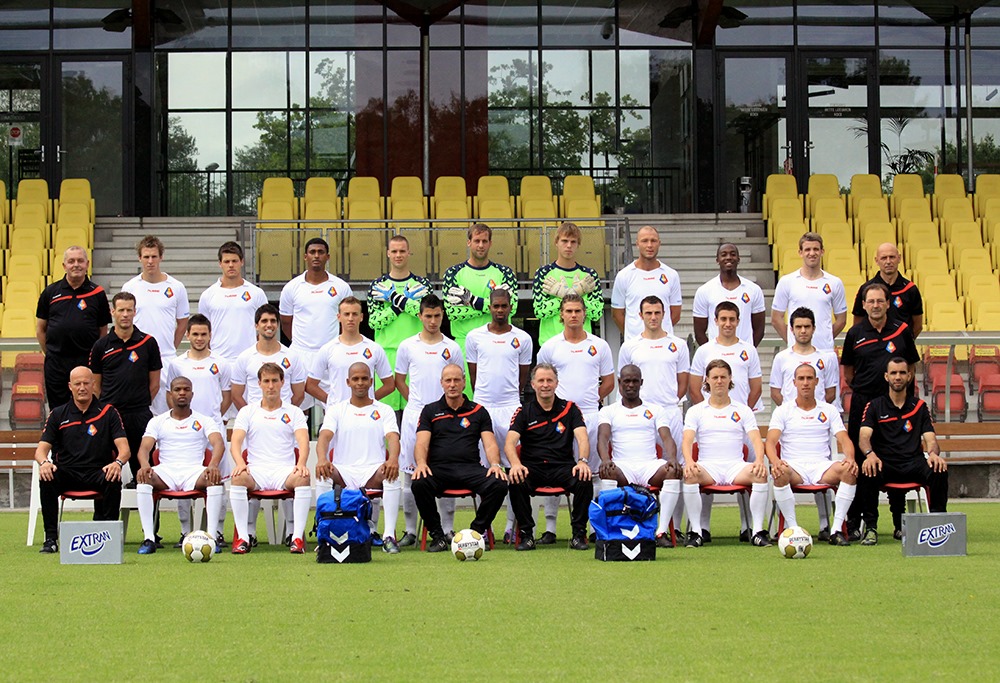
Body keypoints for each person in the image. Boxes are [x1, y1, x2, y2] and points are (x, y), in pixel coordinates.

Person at [841, 282, 920, 540]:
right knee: (860, 461)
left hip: (894, 405)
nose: (875, 305)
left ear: (888, 303)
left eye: (880, 301)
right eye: (871, 301)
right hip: (863, 404)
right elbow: (849, 373)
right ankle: (856, 522)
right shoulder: (854, 333)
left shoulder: (901, 330)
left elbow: (911, 366)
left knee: (896, 455)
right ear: (863, 305)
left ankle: (899, 522)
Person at [389, 294, 464, 546]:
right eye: (428, 316)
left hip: (445, 417)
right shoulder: (407, 346)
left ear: (443, 316)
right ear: (420, 316)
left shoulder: (452, 348)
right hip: (415, 415)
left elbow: (456, 380)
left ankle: (448, 529)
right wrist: (416, 403)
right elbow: (399, 380)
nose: (433, 321)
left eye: (437, 316)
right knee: (410, 475)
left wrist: (440, 408)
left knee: (447, 470)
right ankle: (410, 531)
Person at [411, 364, 509, 552]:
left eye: (456, 380)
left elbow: (490, 444)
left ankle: (475, 533)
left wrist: (495, 464)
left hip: (470, 469)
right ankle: (437, 536)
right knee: (419, 483)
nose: (452, 384)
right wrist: (421, 463)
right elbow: (421, 443)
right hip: (439, 470)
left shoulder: (478, 411)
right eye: (448, 380)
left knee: (499, 483)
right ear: (441, 383)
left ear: (464, 382)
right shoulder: (430, 410)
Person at [34, 366, 130, 553]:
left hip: (98, 471)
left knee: (113, 476)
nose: (82, 388)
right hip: (67, 472)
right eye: (77, 384)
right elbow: (40, 451)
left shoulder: (108, 412)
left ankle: (108, 536)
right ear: (70, 386)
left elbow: (124, 450)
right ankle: (50, 539)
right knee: (46, 478)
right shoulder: (58, 414)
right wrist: (44, 463)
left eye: (86, 383)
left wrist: (117, 463)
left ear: (93, 384)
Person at [617, 295, 689, 541]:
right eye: (648, 313)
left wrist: (670, 401)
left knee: (675, 467)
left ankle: (672, 527)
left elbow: (683, 381)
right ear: (640, 316)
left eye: (657, 312)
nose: (653, 317)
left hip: (669, 410)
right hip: (641, 413)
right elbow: (624, 379)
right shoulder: (630, 346)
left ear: (664, 314)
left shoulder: (678, 345)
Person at [856, 358, 948, 546]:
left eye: (902, 373)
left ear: (909, 376)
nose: (897, 377)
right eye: (893, 373)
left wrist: (933, 454)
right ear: (886, 376)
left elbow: (931, 439)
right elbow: (864, 437)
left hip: (913, 463)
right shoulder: (874, 406)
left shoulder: (919, 407)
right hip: (885, 463)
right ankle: (871, 528)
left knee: (939, 469)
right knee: (867, 470)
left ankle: (937, 524)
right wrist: (870, 454)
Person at [465, 287, 532, 542]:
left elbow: (522, 377)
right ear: (490, 307)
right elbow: (473, 374)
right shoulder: (474, 337)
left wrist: (509, 397)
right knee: (486, 470)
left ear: (510, 307)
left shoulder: (523, 338)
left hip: (510, 406)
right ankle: (486, 527)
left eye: (504, 306)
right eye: (496, 306)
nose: (500, 310)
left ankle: (511, 526)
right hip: (483, 406)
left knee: (514, 467)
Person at [765, 364, 858, 547]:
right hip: (794, 468)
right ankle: (793, 530)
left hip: (822, 467)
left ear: (816, 381)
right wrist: (775, 461)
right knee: (780, 472)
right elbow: (770, 442)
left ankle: (836, 530)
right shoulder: (783, 410)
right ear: (794, 382)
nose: (805, 383)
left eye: (809, 378)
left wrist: (850, 458)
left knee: (849, 471)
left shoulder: (828, 410)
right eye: (801, 379)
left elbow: (844, 439)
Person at [681, 359, 771, 548]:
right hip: (708, 467)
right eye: (715, 377)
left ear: (730, 379)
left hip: (735, 466)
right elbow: (687, 440)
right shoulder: (696, 411)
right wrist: (689, 461)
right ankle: (696, 532)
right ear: (707, 380)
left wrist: (759, 460)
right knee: (689, 475)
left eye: (723, 377)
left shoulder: (743, 410)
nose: (719, 381)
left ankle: (757, 531)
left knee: (760, 474)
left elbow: (756, 439)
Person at [504, 363, 593, 551]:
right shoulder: (523, 411)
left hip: (562, 467)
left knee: (584, 479)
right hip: (532, 468)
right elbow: (509, 443)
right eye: (541, 380)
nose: (545, 385)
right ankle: (526, 535)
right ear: (533, 384)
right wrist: (516, 464)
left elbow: (582, 438)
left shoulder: (570, 409)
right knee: (516, 479)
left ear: (556, 383)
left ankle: (578, 535)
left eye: (549, 380)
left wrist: (582, 461)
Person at [133, 376, 227, 554]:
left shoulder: (204, 420)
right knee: (144, 478)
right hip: (166, 472)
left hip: (194, 471)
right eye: (177, 390)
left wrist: (213, 465)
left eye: (186, 389)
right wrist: (144, 465)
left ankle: (212, 538)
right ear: (170, 394)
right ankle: (149, 539)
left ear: (192, 394)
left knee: (214, 479)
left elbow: (218, 444)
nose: (182, 393)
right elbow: (144, 448)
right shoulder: (158, 421)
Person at [314, 362, 402, 551]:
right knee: (322, 474)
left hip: (373, 471)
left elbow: (393, 437)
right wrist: (322, 458)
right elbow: (324, 437)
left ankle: (389, 537)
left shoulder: (384, 410)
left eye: (364, 379)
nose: (360, 383)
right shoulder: (336, 410)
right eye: (355, 379)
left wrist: (393, 459)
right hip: (343, 471)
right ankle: (323, 534)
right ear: (348, 382)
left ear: (371, 381)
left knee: (392, 476)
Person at [536, 293, 615, 497]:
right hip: (558, 419)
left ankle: (592, 516)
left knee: (593, 473)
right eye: (569, 311)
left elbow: (609, 382)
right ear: (561, 314)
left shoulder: (600, 345)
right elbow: (541, 381)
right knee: (553, 472)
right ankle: (551, 519)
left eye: (577, 311)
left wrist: (591, 397)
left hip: (590, 416)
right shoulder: (550, 347)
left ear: (584, 314)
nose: (573, 315)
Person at [228, 362, 311, 554]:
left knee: (303, 477)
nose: (271, 386)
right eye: (266, 381)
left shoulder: (294, 412)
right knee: (238, 477)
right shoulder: (247, 411)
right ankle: (243, 538)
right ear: (259, 383)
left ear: (282, 382)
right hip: (256, 470)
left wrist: (301, 464)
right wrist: (240, 463)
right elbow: (236, 442)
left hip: (284, 471)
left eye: (275, 381)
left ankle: (297, 538)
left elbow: (303, 441)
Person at [164, 314, 233, 545]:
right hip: (185, 429)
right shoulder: (177, 364)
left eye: (204, 334)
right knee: (182, 478)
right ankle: (186, 531)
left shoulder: (221, 363)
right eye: (195, 334)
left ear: (210, 335)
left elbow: (227, 396)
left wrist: (211, 420)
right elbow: (170, 395)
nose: (200, 338)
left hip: (212, 429)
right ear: (187, 335)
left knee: (218, 479)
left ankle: (218, 531)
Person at [597, 365, 682, 548]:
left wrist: (672, 458)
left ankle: (661, 532)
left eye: (635, 381)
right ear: (619, 382)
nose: (631, 385)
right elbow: (603, 438)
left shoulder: (656, 410)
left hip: (649, 466)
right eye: (627, 381)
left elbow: (667, 438)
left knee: (672, 471)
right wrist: (605, 460)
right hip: (622, 466)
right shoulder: (608, 411)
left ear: (641, 382)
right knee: (607, 471)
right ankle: (611, 531)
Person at [89, 291, 162, 482]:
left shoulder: (148, 343)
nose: (125, 314)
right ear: (113, 311)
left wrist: (139, 401)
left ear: (135, 311)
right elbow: (95, 385)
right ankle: (107, 502)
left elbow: (155, 383)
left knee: (144, 470)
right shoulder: (101, 346)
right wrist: (107, 408)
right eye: (121, 310)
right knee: (107, 468)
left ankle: (146, 501)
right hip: (110, 415)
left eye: (129, 310)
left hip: (140, 414)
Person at [279, 237, 353, 408]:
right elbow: (286, 322)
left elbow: (348, 321)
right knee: (296, 408)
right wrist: (300, 343)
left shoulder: (341, 287)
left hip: (331, 354)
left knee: (335, 406)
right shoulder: (291, 287)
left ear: (328, 256)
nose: (316, 256)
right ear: (305, 256)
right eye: (312, 252)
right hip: (300, 355)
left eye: (321, 252)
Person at [36, 246, 111, 408]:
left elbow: (103, 331)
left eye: (80, 261)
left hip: (86, 362)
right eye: (71, 261)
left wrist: (94, 359)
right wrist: (51, 354)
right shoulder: (50, 292)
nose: (76, 265)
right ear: (64, 266)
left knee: (88, 408)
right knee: (58, 410)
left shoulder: (97, 293)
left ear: (87, 264)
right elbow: (40, 329)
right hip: (56, 365)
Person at [121, 235, 190, 414]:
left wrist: (170, 346)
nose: (150, 261)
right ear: (139, 258)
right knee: (139, 408)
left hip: (166, 357)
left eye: (154, 256)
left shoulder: (176, 287)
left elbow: (182, 321)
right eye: (146, 257)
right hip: (137, 356)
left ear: (161, 257)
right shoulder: (130, 287)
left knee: (167, 411)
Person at [367, 234, 432, 413]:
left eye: (402, 251)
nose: (398, 255)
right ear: (388, 253)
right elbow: (374, 322)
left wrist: (395, 298)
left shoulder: (422, 284)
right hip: (387, 354)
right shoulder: (377, 285)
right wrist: (399, 307)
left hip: (417, 352)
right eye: (394, 251)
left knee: (418, 409)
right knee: (386, 413)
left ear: (409, 253)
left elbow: (425, 314)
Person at [442, 223, 518, 364]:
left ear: (490, 243)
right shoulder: (452, 273)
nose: (481, 245)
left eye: (484, 241)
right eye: (477, 241)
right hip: (464, 342)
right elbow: (452, 313)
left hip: (498, 341)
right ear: (469, 242)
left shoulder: (505, 273)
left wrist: (471, 301)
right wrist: (491, 306)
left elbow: (512, 309)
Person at [306, 296, 394, 407]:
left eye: (355, 314)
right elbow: (310, 385)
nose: (350, 318)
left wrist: (369, 400)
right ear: (339, 317)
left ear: (361, 317)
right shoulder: (327, 349)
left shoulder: (375, 348)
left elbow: (390, 384)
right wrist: (331, 402)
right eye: (346, 314)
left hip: (367, 412)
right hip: (337, 413)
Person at [771, 232, 848, 352]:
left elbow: (841, 320)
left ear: (822, 251)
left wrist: (826, 339)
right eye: (807, 249)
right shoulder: (787, 281)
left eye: (816, 249)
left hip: (825, 352)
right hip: (796, 354)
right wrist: (794, 341)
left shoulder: (834, 283)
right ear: (800, 252)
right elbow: (776, 318)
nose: (812, 253)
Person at [197, 241, 269, 365]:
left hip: (249, 360)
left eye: (234, 261)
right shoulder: (208, 295)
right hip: (218, 361)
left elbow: (265, 328)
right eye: (226, 261)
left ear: (242, 262)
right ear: (220, 263)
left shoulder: (257, 293)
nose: (231, 265)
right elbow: (203, 330)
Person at [531, 222, 603, 345]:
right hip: (551, 344)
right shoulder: (543, 273)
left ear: (578, 244)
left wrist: (566, 295)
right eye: (564, 241)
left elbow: (597, 313)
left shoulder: (589, 275)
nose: (569, 245)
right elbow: (540, 311)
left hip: (582, 343)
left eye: (573, 242)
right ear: (556, 242)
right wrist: (573, 295)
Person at [611, 226, 682, 340]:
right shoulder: (624, 275)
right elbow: (617, 314)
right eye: (644, 241)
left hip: (663, 344)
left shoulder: (671, 275)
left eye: (653, 241)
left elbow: (675, 314)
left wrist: (656, 333)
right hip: (635, 344)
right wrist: (635, 337)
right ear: (637, 244)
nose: (649, 245)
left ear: (659, 243)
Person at [232, 304, 307, 410]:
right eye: (264, 321)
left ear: (278, 324)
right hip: (254, 418)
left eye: (273, 321)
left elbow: (299, 395)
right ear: (256, 326)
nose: (269, 325)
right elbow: (236, 396)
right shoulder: (244, 358)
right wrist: (250, 415)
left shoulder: (292, 356)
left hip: (284, 418)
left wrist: (286, 413)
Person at [689, 301, 761, 411]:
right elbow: (694, 389)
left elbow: (756, 389)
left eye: (732, 319)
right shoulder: (703, 350)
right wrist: (707, 413)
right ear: (716, 321)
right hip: (710, 416)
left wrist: (744, 412)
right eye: (723, 319)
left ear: (738, 321)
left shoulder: (750, 350)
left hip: (739, 416)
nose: (728, 324)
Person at [692, 243, 765, 347]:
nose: (728, 257)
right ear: (717, 260)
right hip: (716, 355)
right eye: (724, 254)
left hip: (743, 354)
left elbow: (759, 330)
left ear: (738, 259)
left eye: (733, 254)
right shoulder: (704, 290)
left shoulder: (753, 290)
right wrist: (712, 351)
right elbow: (699, 332)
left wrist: (747, 349)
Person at [769, 307, 839, 407]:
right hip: (790, 415)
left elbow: (831, 393)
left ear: (813, 329)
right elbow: (775, 393)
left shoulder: (826, 358)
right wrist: (791, 410)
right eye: (798, 327)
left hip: (817, 415)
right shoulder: (781, 358)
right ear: (792, 329)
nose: (803, 331)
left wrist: (814, 409)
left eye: (807, 326)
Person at [851, 242, 923, 338]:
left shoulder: (910, 289)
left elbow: (917, 326)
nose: (888, 261)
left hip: (900, 346)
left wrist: (904, 342)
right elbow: (857, 323)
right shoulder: (866, 289)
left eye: (892, 257)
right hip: (873, 345)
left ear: (899, 258)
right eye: (884, 258)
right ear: (877, 261)